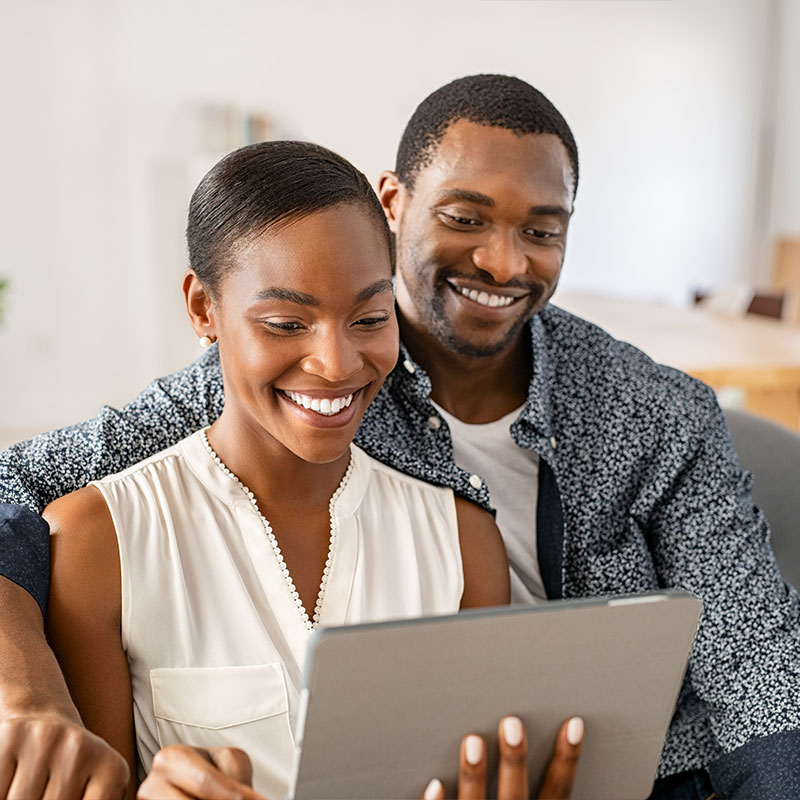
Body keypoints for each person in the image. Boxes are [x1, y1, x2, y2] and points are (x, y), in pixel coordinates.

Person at [1, 73, 798, 799]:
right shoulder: (294, 385)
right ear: (395, 202)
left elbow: (757, 666)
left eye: (542, 231)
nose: (500, 261)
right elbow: (15, 487)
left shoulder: (653, 414)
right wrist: (26, 691)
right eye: (464, 218)